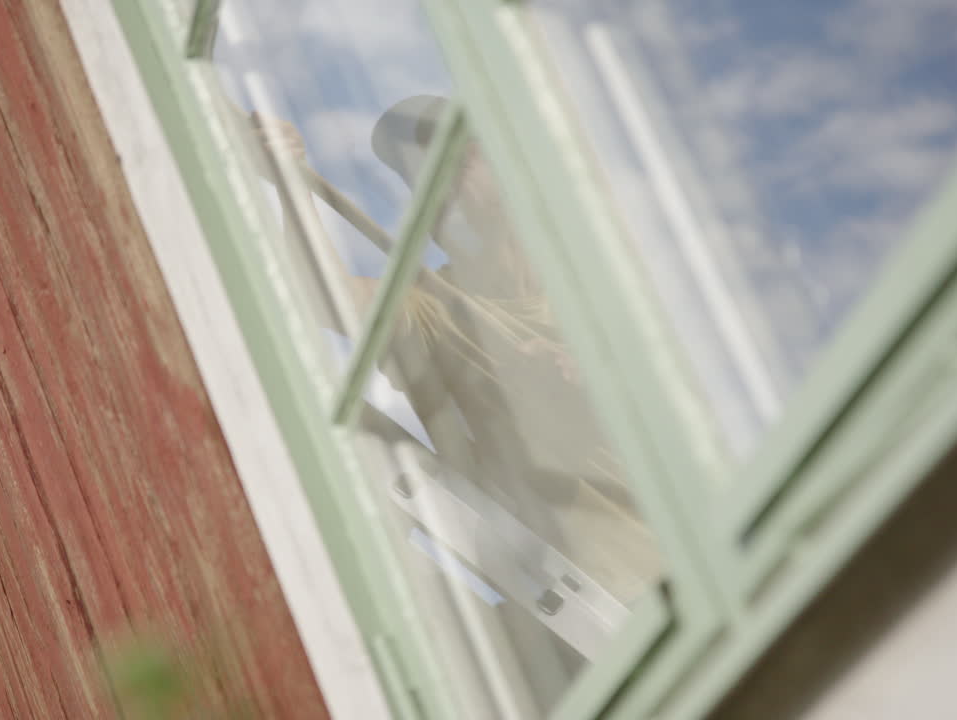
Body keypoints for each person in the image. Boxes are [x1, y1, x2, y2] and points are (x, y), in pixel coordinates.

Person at [249, 96, 659, 608]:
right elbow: (322, 295)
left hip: (669, 578)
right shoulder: (435, 309)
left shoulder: (603, 285)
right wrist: (290, 180)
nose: (439, 183)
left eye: (459, 160)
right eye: (418, 176)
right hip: (572, 600)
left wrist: (586, 380)